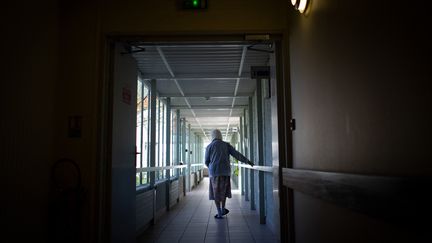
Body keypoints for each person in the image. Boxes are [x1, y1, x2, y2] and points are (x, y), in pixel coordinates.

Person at [205, 129, 254, 219]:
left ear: (212, 136)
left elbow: (206, 161)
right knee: (223, 192)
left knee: (216, 193)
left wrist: (212, 168)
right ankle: (223, 208)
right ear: (220, 136)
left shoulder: (209, 146)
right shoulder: (226, 145)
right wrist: (247, 161)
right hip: (225, 172)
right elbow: (237, 155)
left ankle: (219, 212)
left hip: (214, 173)